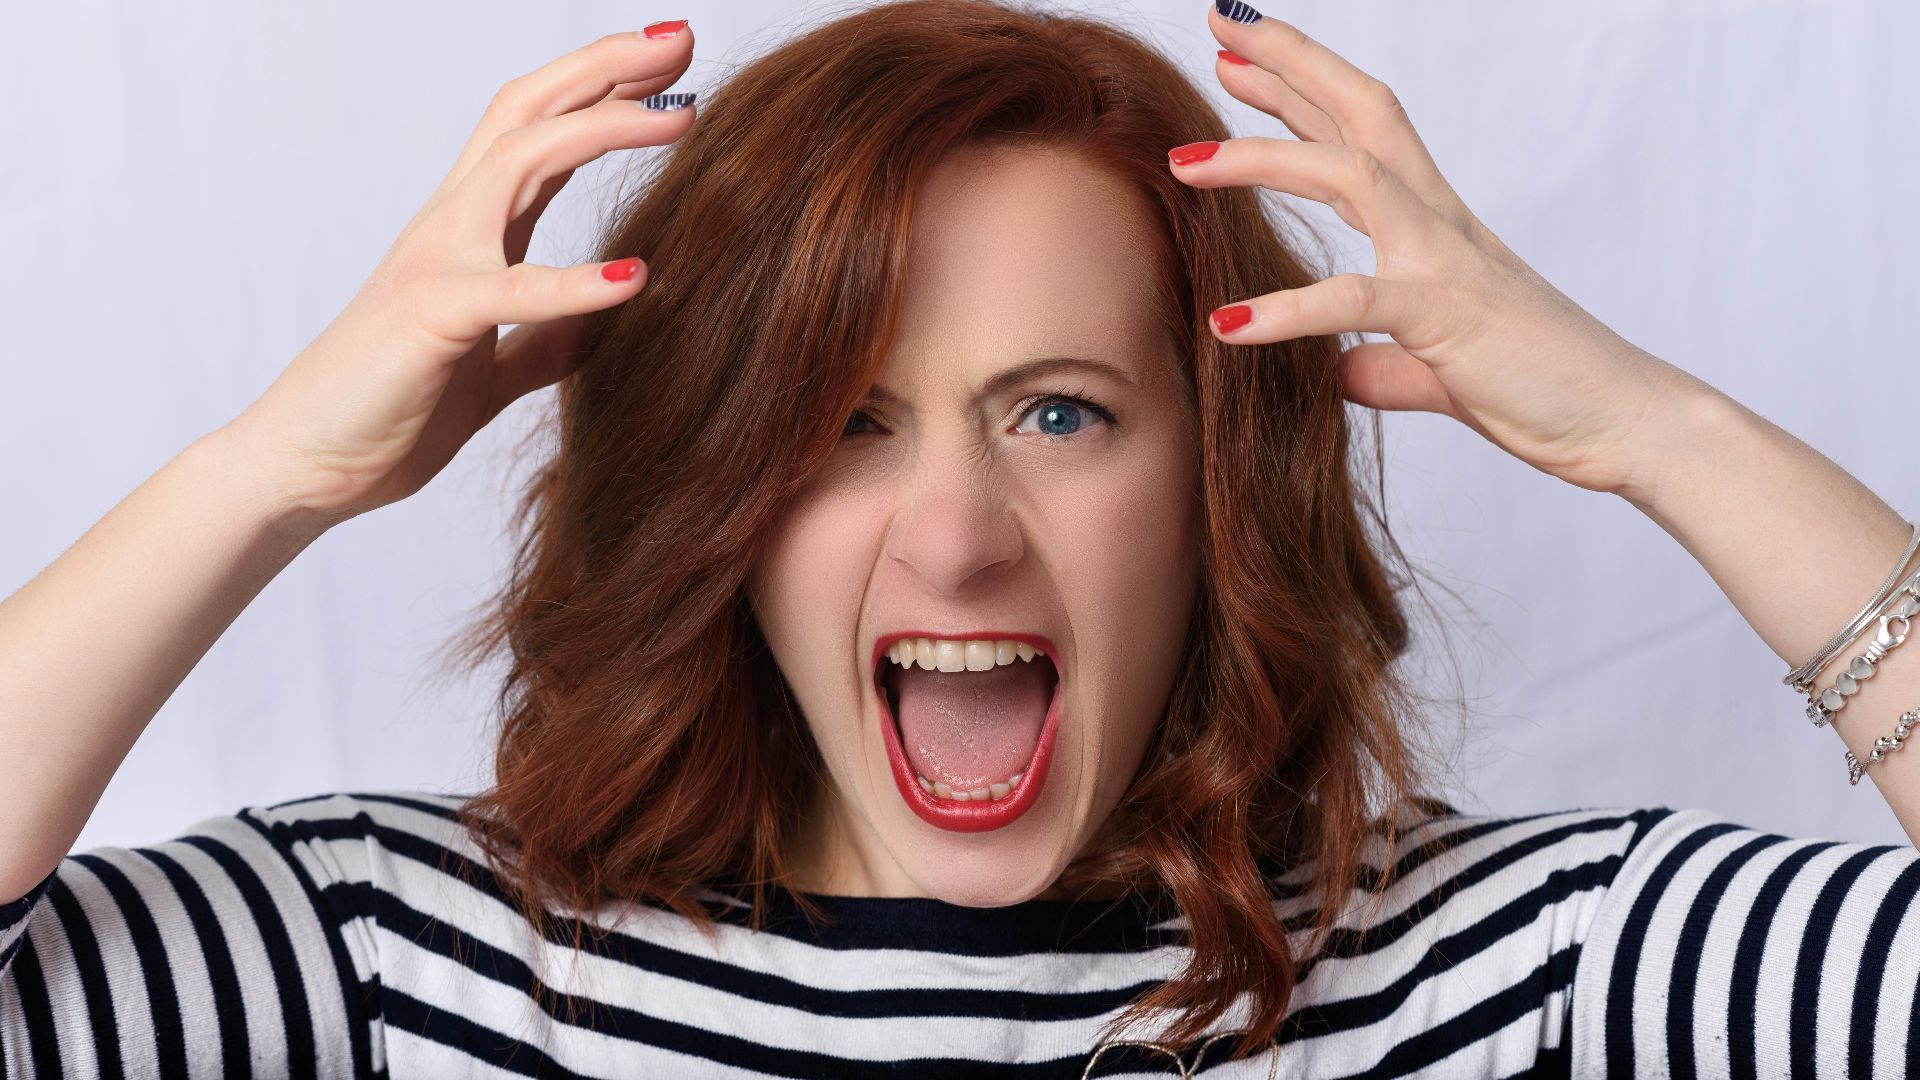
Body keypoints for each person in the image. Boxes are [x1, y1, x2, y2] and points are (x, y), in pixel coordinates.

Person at [2, 1, 1916, 1076]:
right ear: (722, 500)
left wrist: (1665, 432)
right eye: (841, 425)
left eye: (1060, 413)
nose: (956, 535)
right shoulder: (392, 963)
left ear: (1217, 482)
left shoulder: (1530, 974)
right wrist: (267, 471)